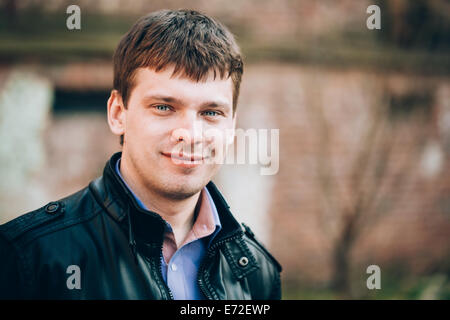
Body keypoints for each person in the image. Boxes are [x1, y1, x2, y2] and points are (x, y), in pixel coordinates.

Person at [0, 9, 281, 300]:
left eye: (211, 112)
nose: (190, 134)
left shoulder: (256, 273)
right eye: (164, 107)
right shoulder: (29, 259)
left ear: (232, 126)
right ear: (118, 113)